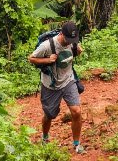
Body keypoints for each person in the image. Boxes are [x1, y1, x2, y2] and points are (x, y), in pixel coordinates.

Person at [28, 20, 85, 153]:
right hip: (51, 85)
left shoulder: (73, 41)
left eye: (72, 40)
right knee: (49, 115)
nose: (70, 42)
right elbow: (31, 58)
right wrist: (48, 60)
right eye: (68, 39)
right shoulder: (47, 45)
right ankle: (45, 137)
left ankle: (77, 144)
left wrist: (78, 50)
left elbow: (74, 52)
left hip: (68, 80)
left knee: (76, 111)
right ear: (61, 34)